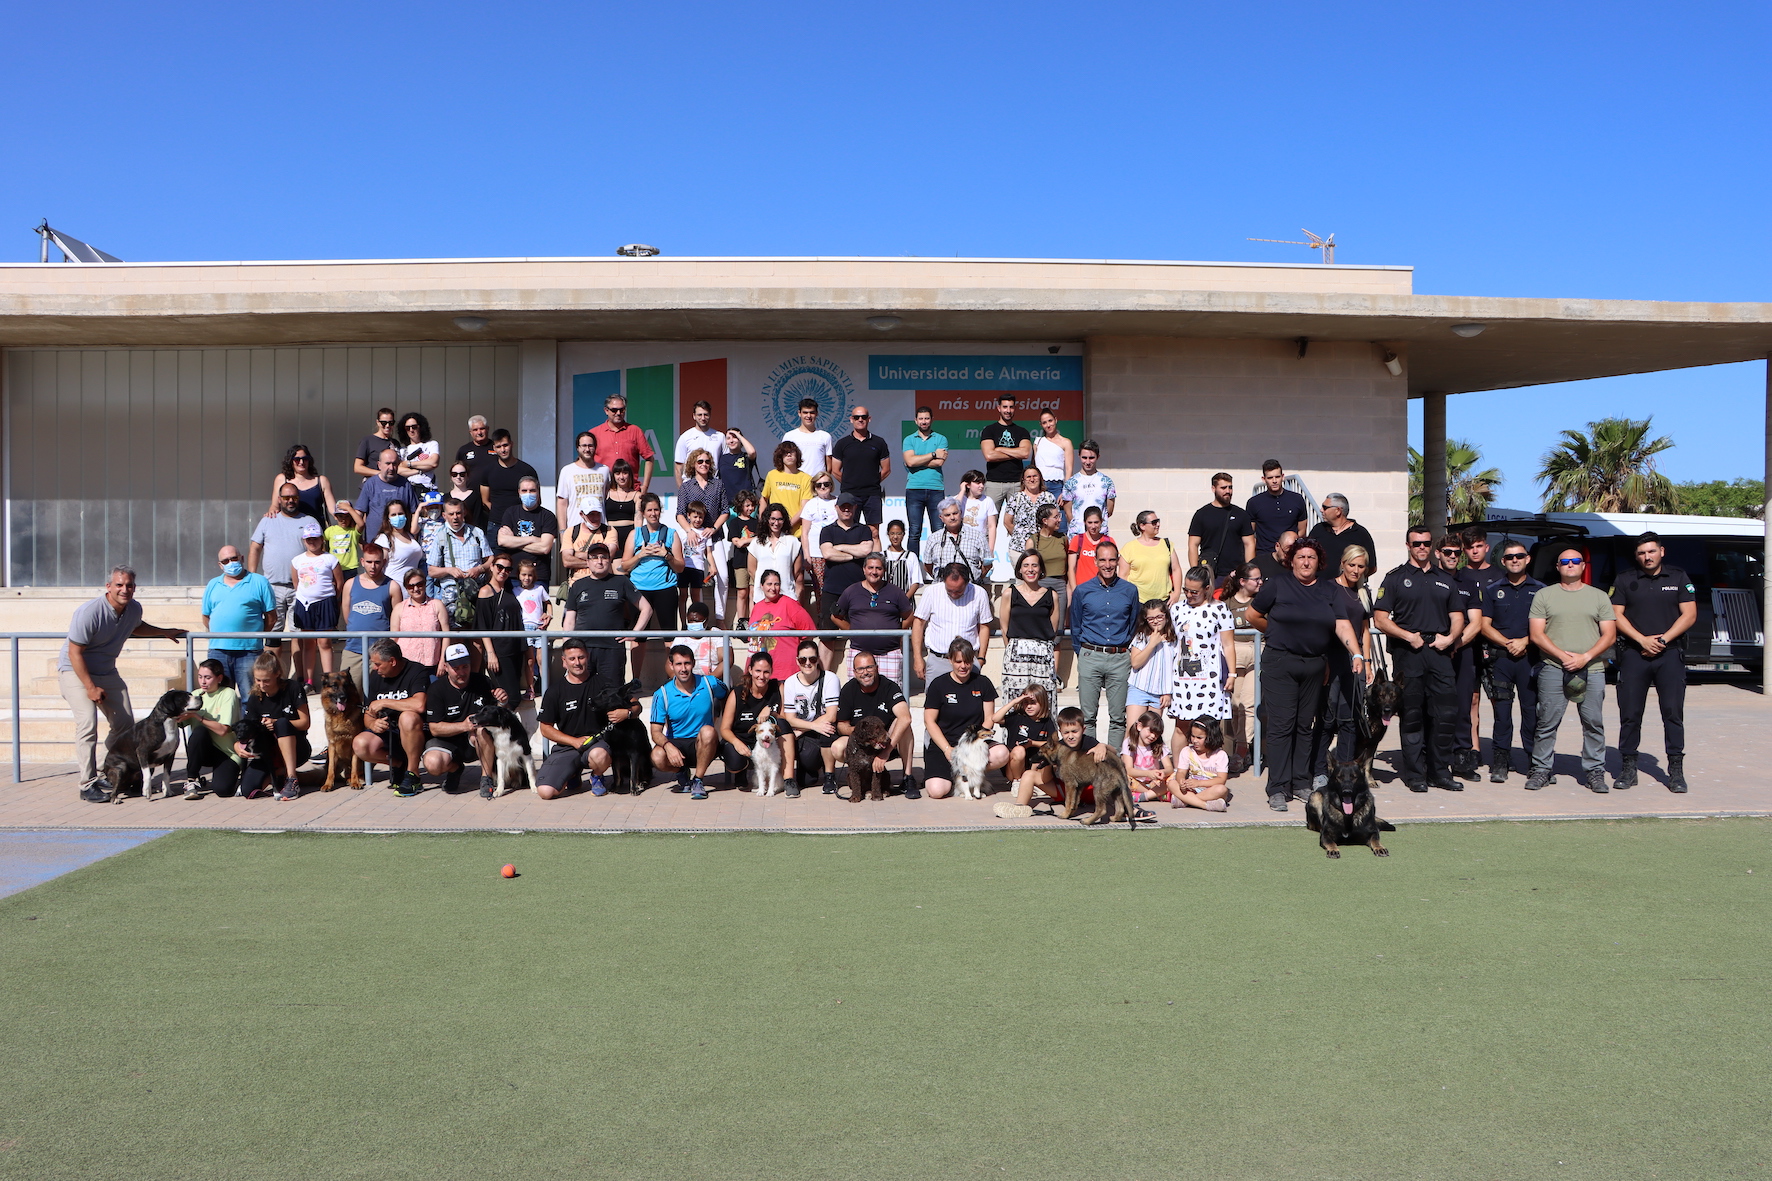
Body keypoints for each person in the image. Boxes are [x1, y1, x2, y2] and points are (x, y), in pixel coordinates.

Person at [1247, 537, 1364, 811]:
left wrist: (1357, 653)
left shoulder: (1329, 590)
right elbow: (1253, 615)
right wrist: (1275, 632)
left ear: (1318, 562)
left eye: (1311, 557)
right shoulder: (1277, 584)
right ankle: (1277, 787)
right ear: (1292, 560)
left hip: (1314, 665)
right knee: (1281, 726)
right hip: (1280, 662)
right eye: (1300, 557)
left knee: (1304, 726)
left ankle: (1300, 782)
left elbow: (1343, 624)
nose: (1306, 562)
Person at [60, 566, 188, 800]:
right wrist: (90, 687)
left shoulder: (133, 608)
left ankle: (106, 770)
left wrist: (164, 632)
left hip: (107, 671)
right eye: (119, 585)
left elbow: (136, 627)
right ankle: (87, 784)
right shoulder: (89, 612)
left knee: (125, 724)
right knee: (87, 724)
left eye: (129, 585)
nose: (124, 589)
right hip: (76, 671)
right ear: (108, 587)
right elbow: (74, 653)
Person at [1373, 527, 1468, 794]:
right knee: (1412, 715)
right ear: (1408, 545)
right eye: (1417, 543)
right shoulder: (1395, 578)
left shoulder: (1445, 579)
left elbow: (1458, 616)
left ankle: (1440, 772)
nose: (1422, 547)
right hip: (1409, 653)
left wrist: (1450, 640)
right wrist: (1407, 636)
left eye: (1426, 543)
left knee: (1445, 715)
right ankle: (1416, 774)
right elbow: (1380, 618)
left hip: (1439, 653)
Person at [1526, 549, 1619, 794]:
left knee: (1593, 722)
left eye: (1575, 561)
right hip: (1553, 667)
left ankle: (1595, 771)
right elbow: (1536, 634)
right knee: (1546, 721)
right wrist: (1562, 656)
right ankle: (1541, 770)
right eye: (1564, 561)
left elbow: (1609, 635)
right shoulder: (1544, 595)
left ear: (1583, 566)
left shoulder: (1598, 597)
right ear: (1557, 567)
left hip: (1592, 668)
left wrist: (1585, 657)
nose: (1570, 565)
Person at [1609, 532, 1696, 793]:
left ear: (1662, 552)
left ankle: (1676, 772)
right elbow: (1616, 615)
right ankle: (1628, 769)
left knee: (1672, 713)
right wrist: (1642, 640)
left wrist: (1662, 640)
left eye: (1651, 551)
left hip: (1669, 655)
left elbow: (1689, 614)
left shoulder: (1679, 577)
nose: (1647, 557)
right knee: (1630, 715)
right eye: (1641, 553)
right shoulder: (1625, 579)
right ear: (1636, 556)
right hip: (1635, 654)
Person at [535, 639, 639, 799]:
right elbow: (545, 728)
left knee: (600, 755)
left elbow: (635, 705)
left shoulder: (603, 683)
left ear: (588, 657)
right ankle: (572, 774)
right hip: (567, 747)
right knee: (545, 792)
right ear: (564, 661)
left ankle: (596, 776)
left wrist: (627, 713)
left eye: (581, 657)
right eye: (572, 658)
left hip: (596, 744)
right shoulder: (555, 691)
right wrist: (573, 741)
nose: (577, 662)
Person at [1477, 541, 1544, 783]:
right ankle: (1501, 762)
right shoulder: (1493, 590)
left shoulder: (1541, 590)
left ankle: (1535, 764)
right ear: (1503, 562)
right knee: (1502, 714)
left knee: (1531, 713)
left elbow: (1546, 626)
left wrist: (1525, 641)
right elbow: (1484, 625)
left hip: (1530, 659)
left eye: (1519, 556)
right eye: (1510, 557)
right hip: (1502, 661)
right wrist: (1508, 643)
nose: (1515, 560)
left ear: (1528, 559)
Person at [1070, 539, 1142, 751]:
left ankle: (1113, 761)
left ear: (1118, 561)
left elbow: (1133, 624)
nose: (1108, 565)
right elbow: (1076, 626)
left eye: (1112, 560)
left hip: (1119, 658)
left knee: (1118, 717)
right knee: (1088, 716)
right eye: (1103, 560)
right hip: (1090, 655)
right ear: (1095, 561)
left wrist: (1123, 651)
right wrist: (1083, 654)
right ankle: (1091, 760)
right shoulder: (1082, 591)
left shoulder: (1130, 591)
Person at [1312, 546, 1374, 785]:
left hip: (1356, 661)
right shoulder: (1329, 588)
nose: (1356, 570)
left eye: (1360, 566)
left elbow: (1365, 630)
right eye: (1352, 565)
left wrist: (1367, 661)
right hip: (1333, 658)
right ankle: (1318, 770)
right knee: (1327, 718)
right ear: (1342, 563)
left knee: (1350, 719)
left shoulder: (1363, 593)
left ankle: (1346, 771)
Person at [920, 638, 1009, 799]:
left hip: (972, 745)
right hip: (946, 745)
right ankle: (958, 778)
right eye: (958, 661)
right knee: (937, 791)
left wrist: (974, 746)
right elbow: (929, 721)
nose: (963, 666)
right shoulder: (938, 685)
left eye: (967, 662)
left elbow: (989, 719)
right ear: (950, 660)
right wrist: (947, 750)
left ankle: (971, 777)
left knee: (1002, 753)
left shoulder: (983, 683)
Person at [561, 542, 649, 693]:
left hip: (612, 650)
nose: (599, 561)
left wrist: (635, 633)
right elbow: (569, 621)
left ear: (609, 560)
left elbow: (646, 608)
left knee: (613, 695)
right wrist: (568, 649)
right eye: (594, 557)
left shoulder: (621, 582)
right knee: (582, 693)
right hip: (584, 649)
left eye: (603, 557)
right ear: (587, 562)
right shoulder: (578, 585)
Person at [353, 638, 433, 797]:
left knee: (408, 717)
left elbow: (419, 704)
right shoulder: (376, 676)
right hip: (388, 733)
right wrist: (373, 723)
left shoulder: (417, 671)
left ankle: (413, 775)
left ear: (392, 661)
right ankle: (398, 764)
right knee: (360, 744)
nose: (374, 668)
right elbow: (369, 712)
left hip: (414, 732)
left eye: (377, 664)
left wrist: (386, 703)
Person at [1435, 533, 1485, 780]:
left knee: (1463, 706)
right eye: (1448, 552)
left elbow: (1475, 623)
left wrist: (1456, 642)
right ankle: (1435, 760)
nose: (1453, 556)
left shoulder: (1470, 582)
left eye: (1456, 552)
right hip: (1434, 649)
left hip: (1463, 650)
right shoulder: (1430, 578)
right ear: (1438, 554)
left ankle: (1462, 760)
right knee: (1434, 706)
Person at [651, 645, 728, 798]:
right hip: (677, 744)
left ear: (693, 663)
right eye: (679, 664)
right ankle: (681, 772)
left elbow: (729, 696)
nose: (683, 668)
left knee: (708, 731)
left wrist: (724, 720)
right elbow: (655, 732)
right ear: (671, 666)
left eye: (687, 663)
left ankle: (698, 780)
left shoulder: (709, 683)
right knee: (657, 756)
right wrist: (668, 746)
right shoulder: (662, 694)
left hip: (705, 743)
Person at [834, 650, 916, 794]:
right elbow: (841, 725)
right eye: (860, 669)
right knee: (837, 747)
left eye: (869, 667)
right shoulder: (848, 689)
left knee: (905, 726)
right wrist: (859, 734)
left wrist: (885, 752)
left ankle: (907, 777)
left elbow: (905, 717)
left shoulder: (889, 686)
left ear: (877, 668)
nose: (865, 672)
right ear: (854, 672)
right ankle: (859, 777)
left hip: (886, 741)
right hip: (861, 743)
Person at [421, 643, 498, 796]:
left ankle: (486, 777)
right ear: (446, 667)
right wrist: (463, 726)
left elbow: (498, 713)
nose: (462, 672)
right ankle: (455, 768)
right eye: (456, 668)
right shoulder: (436, 689)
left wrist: (502, 700)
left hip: (476, 740)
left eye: (465, 666)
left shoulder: (482, 682)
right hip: (446, 741)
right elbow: (434, 728)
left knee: (482, 730)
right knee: (432, 763)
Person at [1170, 566, 1237, 743]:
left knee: (1208, 729)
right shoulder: (1176, 609)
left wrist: (1231, 674)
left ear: (1207, 589)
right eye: (1186, 590)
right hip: (1182, 677)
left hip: (1210, 678)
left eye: (1194, 591)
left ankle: (1209, 769)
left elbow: (1228, 644)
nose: (1189, 595)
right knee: (1181, 726)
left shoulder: (1220, 609)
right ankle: (1180, 769)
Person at [236, 651, 311, 802]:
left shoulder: (293, 688)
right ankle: (278, 774)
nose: (262, 685)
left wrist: (276, 722)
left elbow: (305, 723)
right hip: (268, 752)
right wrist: (237, 744)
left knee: (282, 722)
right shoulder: (255, 697)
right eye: (258, 680)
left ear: (277, 674)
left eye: (266, 681)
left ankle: (292, 779)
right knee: (248, 791)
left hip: (297, 747)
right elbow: (247, 727)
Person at [201, 544, 276, 693]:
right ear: (220, 565)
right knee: (219, 696)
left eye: (233, 558)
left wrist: (256, 637)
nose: (230, 563)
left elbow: (271, 617)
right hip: (218, 651)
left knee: (250, 696)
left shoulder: (259, 582)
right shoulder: (213, 585)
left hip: (249, 651)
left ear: (242, 558)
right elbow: (206, 616)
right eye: (225, 561)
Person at [249, 483, 310, 659]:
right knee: (272, 635)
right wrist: (253, 578)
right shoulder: (268, 520)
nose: (290, 501)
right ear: (279, 499)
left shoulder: (308, 521)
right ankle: (270, 681)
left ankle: (299, 681)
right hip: (272, 588)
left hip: (300, 588)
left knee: (298, 635)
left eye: (294, 497)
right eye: (286, 497)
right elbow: (255, 548)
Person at [833, 552, 914, 682]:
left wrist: (896, 632)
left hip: (890, 653)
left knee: (891, 695)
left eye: (878, 568)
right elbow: (835, 616)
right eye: (870, 568)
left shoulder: (896, 592)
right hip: (859, 654)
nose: (874, 572)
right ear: (864, 569)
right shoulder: (851, 591)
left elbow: (909, 616)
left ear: (884, 571)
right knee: (858, 694)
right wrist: (852, 630)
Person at [911, 563, 993, 687]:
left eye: (959, 591)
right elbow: (918, 623)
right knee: (935, 704)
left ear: (966, 583)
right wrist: (917, 658)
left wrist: (981, 658)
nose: (954, 594)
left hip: (967, 663)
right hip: (938, 660)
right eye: (949, 590)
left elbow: (984, 626)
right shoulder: (931, 592)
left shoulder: (979, 593)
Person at [720, 651, 791, 792]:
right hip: (742, 740)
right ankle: (742, 771)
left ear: (771, 672)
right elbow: (724, 729)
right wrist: (737, 743)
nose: (761, 676)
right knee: (735, 762)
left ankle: (788, 778)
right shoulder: (737, 693)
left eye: (766, 672)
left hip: (767, 742)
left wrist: (770, 710)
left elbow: (784, 719)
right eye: (758, 671)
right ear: (750, 670)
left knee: (783, 726)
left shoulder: (778, 688)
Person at [176, 658, 243, 800]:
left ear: (219, 678)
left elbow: (223, 730)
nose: (203, 682)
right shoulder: (195, 695)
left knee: (223, 790)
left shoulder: (228, 694)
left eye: (207, 677)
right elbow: (179, 723)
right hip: (203, 750)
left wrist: (196, 715)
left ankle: (237, 773)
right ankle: (192, 780)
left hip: (227, 752)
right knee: (199, 732)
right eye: (200, 677)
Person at [781, 639, 842, 795]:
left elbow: (831, 715)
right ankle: (806, 767)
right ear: (797, 661)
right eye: (803, 659)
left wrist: (806, 729)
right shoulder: (790, 682)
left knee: (828, 730)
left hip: (820, 730)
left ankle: (830, 775)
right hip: (806, 732)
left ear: (818, 660)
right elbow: (790, 718)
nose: (807, 663)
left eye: (812, 659)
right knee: (806, 780)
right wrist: (812, 727)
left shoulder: (830, 678)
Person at [1219, 562, 1263, 772]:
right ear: (1243, 582)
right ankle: (1235, 747)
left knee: (1249, 703)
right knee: (1236, 704)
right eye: (1256, 579)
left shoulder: (1262, 601)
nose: (1260, 582)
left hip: (1256, 650)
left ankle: (1242, 751)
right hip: (1234, 652)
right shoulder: (1227, 603)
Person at [998, 550, 1060, 698]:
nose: (1030, 569)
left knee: (1043, 700)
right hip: (1016, 655)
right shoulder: (1009, 593)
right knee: (1016, 700)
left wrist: (1043, 649)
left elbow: (1053, 629)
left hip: (1043, 654)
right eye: (1025, 565)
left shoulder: (1052, 595)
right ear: (1019, 569)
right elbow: (1004, 627)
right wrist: (1012, 649)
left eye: (1034, 565)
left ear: (1041, 569)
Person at [624, 492, 685, 639]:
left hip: (665, 589)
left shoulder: (671, 534)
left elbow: (680, 567)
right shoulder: (635, 534)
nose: (653, 513)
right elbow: (625, 566)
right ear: (643, 513)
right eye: (649, 510)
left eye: (656, 510)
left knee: (669, 636)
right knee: (638, 638)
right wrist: (640, 554)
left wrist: (666, 555)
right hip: (639, 589)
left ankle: (671, 662)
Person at [341, 543, 400, 694]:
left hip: (380, 651)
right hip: (353, 649)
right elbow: (347, 615)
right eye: (369, 562)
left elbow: (398, 618)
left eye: (377, 562)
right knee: (348, 693)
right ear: (362, 562)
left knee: (378, 694)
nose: (373, 566)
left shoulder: (392, 586)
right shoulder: (350, 584)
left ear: (384, 562)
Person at [290, 517, 343, 681]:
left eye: (315, 538)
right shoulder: (297, 560)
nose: (312, 542)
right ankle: (309, 681)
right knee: (308, 643)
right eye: (309, 539)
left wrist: (332, 601)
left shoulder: (331, 559)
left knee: (325, 643)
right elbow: (296, 583)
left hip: (325, 603)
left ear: (321, 539)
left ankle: (328, 680)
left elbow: (339, 583)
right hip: (304, 604)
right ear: (304, 541)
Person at [818, 494, 876, 639]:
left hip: (859, 590)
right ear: (836, 508)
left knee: (861, 634)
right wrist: (853, 555)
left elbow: (866, 550)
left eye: (849, 506)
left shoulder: (864, 530)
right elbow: (828, 554)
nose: (846, 509)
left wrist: (840, 547)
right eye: (842, 506)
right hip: (832, 590)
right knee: (826, 637)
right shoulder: (827, 530)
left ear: (855, 508)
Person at [828, 405, 891, 538]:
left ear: (869, 419)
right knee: (850, 532)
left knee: (873, 533)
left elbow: (886, 470)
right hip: (850, 494)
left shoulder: (879, 442)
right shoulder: (842, 443)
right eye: (857, 417)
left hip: (872, 494)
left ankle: (874, 559)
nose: (860, 419)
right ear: (851, 419)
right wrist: (850, 482)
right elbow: (835, 470)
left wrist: (871, 481)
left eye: (863, 417)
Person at [425, 496, 493, 617]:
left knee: (478, 629)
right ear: (444, 515)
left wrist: (479, 569)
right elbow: (431, 571)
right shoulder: (440, 536)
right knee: (454, 632)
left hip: (476, 589)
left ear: (464, 513)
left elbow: (491, 559)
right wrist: (449, 570)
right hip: (452, 593)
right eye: (451, 514)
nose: (455, 517)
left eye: (458, 513)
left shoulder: (477, 533)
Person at [1187, 472, 1256, 588]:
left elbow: (1249, 544)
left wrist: (1248, 572)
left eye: (1230, 487)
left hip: (1236, 573)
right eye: (1223, 488)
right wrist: (1197, 574)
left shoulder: (1241, 514)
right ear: (1213, 488)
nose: (1228, 491)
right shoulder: (1202, 514)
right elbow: (1193, 545)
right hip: (1211, 574)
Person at [474, 555, 527, 706]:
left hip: (515, 649)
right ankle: (495, 727)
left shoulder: (510, 589)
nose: (503, 571)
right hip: (499, 651)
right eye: (500, 567)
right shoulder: (485, 591)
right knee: (510, 697)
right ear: (491, 567)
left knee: (511, 695)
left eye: (508, 569)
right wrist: (490, 653)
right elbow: (483, 626)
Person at [747, 568, 815, 679]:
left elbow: (808, 633)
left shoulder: (790, 604)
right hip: (762, 675)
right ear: (761, 585)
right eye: (769, 584)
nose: (773, 588)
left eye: (777, 584)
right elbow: (752, 641)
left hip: (786, 672)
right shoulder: (757, 607)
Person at [496, 474, 559, 588]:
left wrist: (514, 542)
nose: (528, 494)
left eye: (532, 490)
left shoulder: (547, 516)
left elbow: (544, 548)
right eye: (524, 490)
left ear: (538, 492)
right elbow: (502, 541)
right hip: (513, 575)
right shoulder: (510, 512)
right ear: (519, 492)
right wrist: (533, 539)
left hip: (538, 576)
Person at [350, 447, 419, 546]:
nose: (391, 468)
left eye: (394, 464)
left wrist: (413, 538)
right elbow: (359, 513)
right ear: (379, 465)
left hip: (401, 542)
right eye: (387, 463)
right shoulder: (370, 484)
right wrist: (358, 540)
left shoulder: (405, 484)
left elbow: (414, 513)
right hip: (374, 543)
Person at [901, 406, 948, 550]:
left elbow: (940, 462)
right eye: (921, 419)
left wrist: (917, 460)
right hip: (914, 489)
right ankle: (912, 567)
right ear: (916, 421)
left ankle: (940, 568)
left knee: (939, 531)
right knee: (914, 532)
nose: (924, 421)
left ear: (932, 420)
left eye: (926, 418)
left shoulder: (941, 438)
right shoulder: (909, 439)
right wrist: (933, 454)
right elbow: (910, 462)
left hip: (936, 489)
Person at [1001, 684, 1056, 808]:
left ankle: (1036, 783)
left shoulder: (1046, 721)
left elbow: (1054, 743)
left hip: (1034, 767)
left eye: (1033, 703)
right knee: (1019, 750)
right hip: (1015, 767)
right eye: (1026, 702)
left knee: (1046, 752)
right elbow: (995, 718)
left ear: (1042, 703)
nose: (1029, 706)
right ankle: (1017, 782)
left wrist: (1032, 743)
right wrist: (1015, 701)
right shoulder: (1017, 716)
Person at [589, 394, 655, 493]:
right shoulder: (594, 433)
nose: (618, 413)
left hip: (630, 491)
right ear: (606, 411)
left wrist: (645, 487)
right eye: (614, 410)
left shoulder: (635, 431)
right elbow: (586, 462)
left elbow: (649, 458)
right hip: (603, 490)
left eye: (622, 410)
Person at [1246, 460, 1309, 563]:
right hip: (1264, 556)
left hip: (1291, 556)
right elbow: (1250, 535)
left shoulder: (1297, 499)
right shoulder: (1254, 502)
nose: (1274, 481)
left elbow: (1301, 531)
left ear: (1282, 477)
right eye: (1270, 478)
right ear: (1264, 479)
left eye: (1277, 477)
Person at [392, 565, 450, 673]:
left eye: (419, 584)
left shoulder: (437, 605)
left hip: (432, 665)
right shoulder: (399, 608)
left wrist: (443, 661)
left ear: (425, 584)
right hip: (406, 666)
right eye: (411, 586)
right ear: (406, 588)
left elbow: (446, 635)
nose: (416, 589)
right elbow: (394, 638)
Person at [1127, 599, 1178, 721]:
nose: (1155, 621)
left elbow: (1172, 668)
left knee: (1152, 731)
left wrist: (1168, 692)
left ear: (1166, 616)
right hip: (1139, 688)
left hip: (1159, 693)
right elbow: (1135, 663)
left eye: (1159, 617)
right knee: (1133, 730)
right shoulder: (1141, 636)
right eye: (1151, 618)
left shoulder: (1174, 640)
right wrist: (1151, 644)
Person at [920, 497, 990, 585]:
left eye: (955, 513)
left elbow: (987, 563)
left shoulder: (977, 536)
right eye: (947, 515)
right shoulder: (933, 538)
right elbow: (927, 565)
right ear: (941, 518)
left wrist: (975, 578)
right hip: (941, 589)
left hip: (970, 588)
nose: (952, 517)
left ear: (961, 513)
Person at [478, 430, 539, 529]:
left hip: (522, 523)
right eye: (498, 447)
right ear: (494, 448)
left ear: (511, 444)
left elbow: (536, 499)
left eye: (505, 445)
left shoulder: (527, 470)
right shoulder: (488, 471)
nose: (503, 450)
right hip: (495, 524)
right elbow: (485, 501)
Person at [979, 395, 1032, 508]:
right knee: (990, 522)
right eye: (1005, 407)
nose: (1008, 411)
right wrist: (1015, 453)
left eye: (1011, 407)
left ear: (1015, 408)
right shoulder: (989, 430)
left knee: (1019, 522)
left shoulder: (1022, 432)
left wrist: (1000, 449)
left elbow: (1025, 453)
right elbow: (989, 455)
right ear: (999, 408)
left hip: (1017, 483)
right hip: (994, 483)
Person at [1059, 440, 1118, 541]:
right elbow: (1068, 513)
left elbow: (1109, 510)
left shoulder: (1107, 482)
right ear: (1079, 456)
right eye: (1084, 458)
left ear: (1098, 457)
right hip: (1078, 535)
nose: (1087, 462)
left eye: (1091, 458)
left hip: (1100, 534)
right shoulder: (1071, 483)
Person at [1122, 510, 1183, 606]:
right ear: (1142, 526)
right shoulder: (1129, 547)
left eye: (1158, 521)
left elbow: (1176, 569)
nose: (1158, 524)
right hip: (1138, 601)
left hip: (1164, 601)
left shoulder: (1167, 544)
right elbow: (1123, 576)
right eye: (1154, 522)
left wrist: (1177, 593)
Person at [1307, 493, 1378, 576]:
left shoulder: (1360, 533)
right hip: (1319, 586)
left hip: (1348, 588)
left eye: (1325, 507)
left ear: (1338, 511)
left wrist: (1354, 580)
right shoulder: (1318, 529)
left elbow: (1372, 567)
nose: (1321, 510)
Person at [748, 505, 805, 607]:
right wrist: (768, 586)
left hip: (787, 595)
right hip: (762, 597)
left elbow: (797, 572)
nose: (776, 523)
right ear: (767, 520)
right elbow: (752, 570)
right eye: (773, 519)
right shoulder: (756, 543)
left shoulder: (793, 542)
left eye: (780, 519)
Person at [797, 474, 839, 608]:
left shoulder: (838, 502)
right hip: (816, 555)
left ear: (831, 485)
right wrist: (807, 556)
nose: (823, 487)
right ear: (814, 487)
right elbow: (804, 533)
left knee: (837, 589)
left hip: (836, 553)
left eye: (826, 484)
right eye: (819, 485)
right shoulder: (810, 504)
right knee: (820, 591)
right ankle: (823, 621)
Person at [1173, 717, 1232, 812]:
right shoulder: (1187, 751)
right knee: (1172, 783)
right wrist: (1181, 782)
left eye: (1199, 738)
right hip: (1191, 789)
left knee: (1222, 789)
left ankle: (1186, 801)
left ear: (1211, 737)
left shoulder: (1220, 755)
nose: (1195, 740)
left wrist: (1199, 783)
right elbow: (1180, 772)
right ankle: (1205, 805)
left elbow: (1221, 780)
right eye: (1193, 736)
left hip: (1210, 789)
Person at [268, 443, 335, 524]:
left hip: (316, 531)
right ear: (290, 461)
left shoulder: (322, 481)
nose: (301, 462)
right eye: (297, 459)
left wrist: (347, 513)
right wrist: (271, 513)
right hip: (290, 529)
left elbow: (333, 510)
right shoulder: (281, 479)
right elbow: (275, 506)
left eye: (305, 459)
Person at [1001, 464, 1059, 558]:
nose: (1032, 479)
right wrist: (1019, 536)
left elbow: (1056, 520)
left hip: (1044, 547)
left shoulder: (1049, 497)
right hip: (1019, 549)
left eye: (1035, 476)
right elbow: (1007, 522)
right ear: (1023, 480)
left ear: (1040, 478)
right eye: (1028, 477)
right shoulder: (1016, 498)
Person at [556, 430, 610, 527]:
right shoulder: (567, 470)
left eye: (590, 446)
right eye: (584, 446)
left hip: (600, 527)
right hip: (575, 527)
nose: (587, 449)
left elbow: (607, 497)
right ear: (577, 448)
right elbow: (562, 503)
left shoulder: (604, 470)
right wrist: (562, 531)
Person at [676, 448, 731, 544]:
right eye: (700, 461)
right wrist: (689, 531)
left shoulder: (718, 484)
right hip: (693, 537)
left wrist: (713, 529)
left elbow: (725, 511)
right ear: (693, 464)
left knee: (719, 560)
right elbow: (680, 514)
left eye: (707, 462)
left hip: (714, 536)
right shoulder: (686, 487)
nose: (704, 464)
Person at [723, 489, 762, 625]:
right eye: (747, 505)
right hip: (740, 562)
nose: (750, 508)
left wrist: (746, 541)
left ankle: (753, 620)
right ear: (740, 506)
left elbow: (760, 540)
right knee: (742, 592)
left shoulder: (757, 522)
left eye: (752, 505)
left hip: (755, 562)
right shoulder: (734, 523)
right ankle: (741, 621)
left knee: (753, 592)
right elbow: (737, 542)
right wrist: (749, 540)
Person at [761, 441, 814, 536]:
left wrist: (787, 525)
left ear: (797, 455)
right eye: (785, 453)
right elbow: (764, 499)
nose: (789, 455)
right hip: (774, 531)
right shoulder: (772, 475)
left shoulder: (806, 478)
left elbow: (805, 508)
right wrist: (763, 522)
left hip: (796, 532)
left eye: (792, 452)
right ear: (780, 456)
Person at [562, 499, 620, 586]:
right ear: (582, 514)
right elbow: (567, 561)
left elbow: (608, 557)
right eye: (591, 514)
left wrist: (578, 554)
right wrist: (597, 562)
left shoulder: (609, 531)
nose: (596, 518)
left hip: (603, 583)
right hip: (577, 584)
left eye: (598, 514)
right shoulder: (571, 532)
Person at [515, 556, 551, 695]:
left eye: (530, 575)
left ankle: (546, 688)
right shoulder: (516, 591)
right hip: (525, 628)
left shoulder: (539, 589)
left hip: (539, 628)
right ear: (519, 575)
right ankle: (531, 688)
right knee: (530, 661)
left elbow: (548, 603)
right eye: (524, 574)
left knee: (542, 660)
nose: (527, 578)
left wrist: (549, 615)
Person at [1122, 709, 1174, 803]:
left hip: (1154, 782)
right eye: (1150, 731)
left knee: (1174, 776)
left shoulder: (1158, 744)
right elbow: (1128, 770)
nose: (1153, 736)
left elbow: (1169, 768)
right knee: (1123, 777)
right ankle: (1158, 794)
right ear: (1139, 726)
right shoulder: (1129, 742)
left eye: (1157, 734)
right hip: (1136, 782)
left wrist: (1163, 772)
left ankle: (1145, 796)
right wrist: (1148, 774)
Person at [374, 500, 426, 593]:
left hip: (413, 591)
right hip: (393, 591)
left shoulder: (411, 535)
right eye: (393, 515)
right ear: (388, 519)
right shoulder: (384, 539)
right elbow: (378, 567)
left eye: (400, 513)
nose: (398, 517)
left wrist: (419, 510)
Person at [671, 601, 726, 680]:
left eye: (697, 621)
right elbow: (669, 663)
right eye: (690, 621)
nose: (693, 623)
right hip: (685, 683)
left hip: (713, 682)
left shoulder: (718, 635)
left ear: (706, 620)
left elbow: (726, 661)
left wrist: (707, 681)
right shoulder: (681, 637)